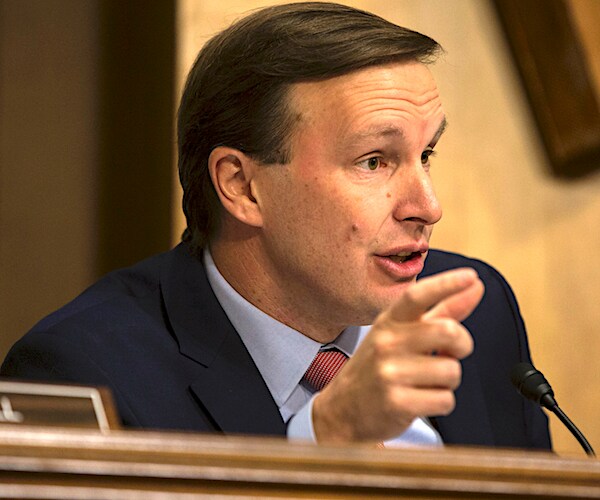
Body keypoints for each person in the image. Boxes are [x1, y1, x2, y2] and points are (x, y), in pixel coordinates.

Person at [1, 2, 550, 449]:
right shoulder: (83, 372)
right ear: (241, 186)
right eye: (374, 161)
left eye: (425, 154)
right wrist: (327, 441)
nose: (427, 206)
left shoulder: (472, 315)